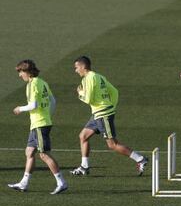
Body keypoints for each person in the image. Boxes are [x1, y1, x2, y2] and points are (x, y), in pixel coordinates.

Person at [70, 56, 148, 176]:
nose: (75, 71)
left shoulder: (88, 79)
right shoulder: (99, 76)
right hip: (99, 113)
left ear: (83, 66)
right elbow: (114, 91)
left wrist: (80, 93)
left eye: (76, 68)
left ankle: (140, 159)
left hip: (103, 114)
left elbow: (88, 99)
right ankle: (84, 167)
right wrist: (111, 106)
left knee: (112, 144)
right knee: (83, 136)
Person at [8, 60, 68, 194]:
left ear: (27, 72)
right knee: (29, 152)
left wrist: (20, 108)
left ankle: (61, 182)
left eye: (20, 72)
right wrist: (49, 115)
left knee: (43, 154)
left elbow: (33, 105)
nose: (19, 75)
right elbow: (53, 101)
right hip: (39, 123)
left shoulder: (33, 84)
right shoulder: (42, 82)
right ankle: (24, 183)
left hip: (40, 124)